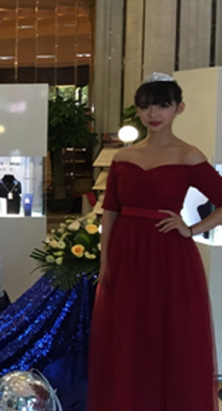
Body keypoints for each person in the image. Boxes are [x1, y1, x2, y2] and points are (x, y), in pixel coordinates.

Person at [88, 73, 222, 410]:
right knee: (128, 331)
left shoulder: (189, 156)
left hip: (170, 255)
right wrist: (105, 262)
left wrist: (192, 228)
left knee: (169, 331)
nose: (153, 113)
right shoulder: (122, 158)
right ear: (138, 110)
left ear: (179, 108)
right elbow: (110, 212)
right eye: (146, 106)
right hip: (126, 252)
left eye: (162, 105)